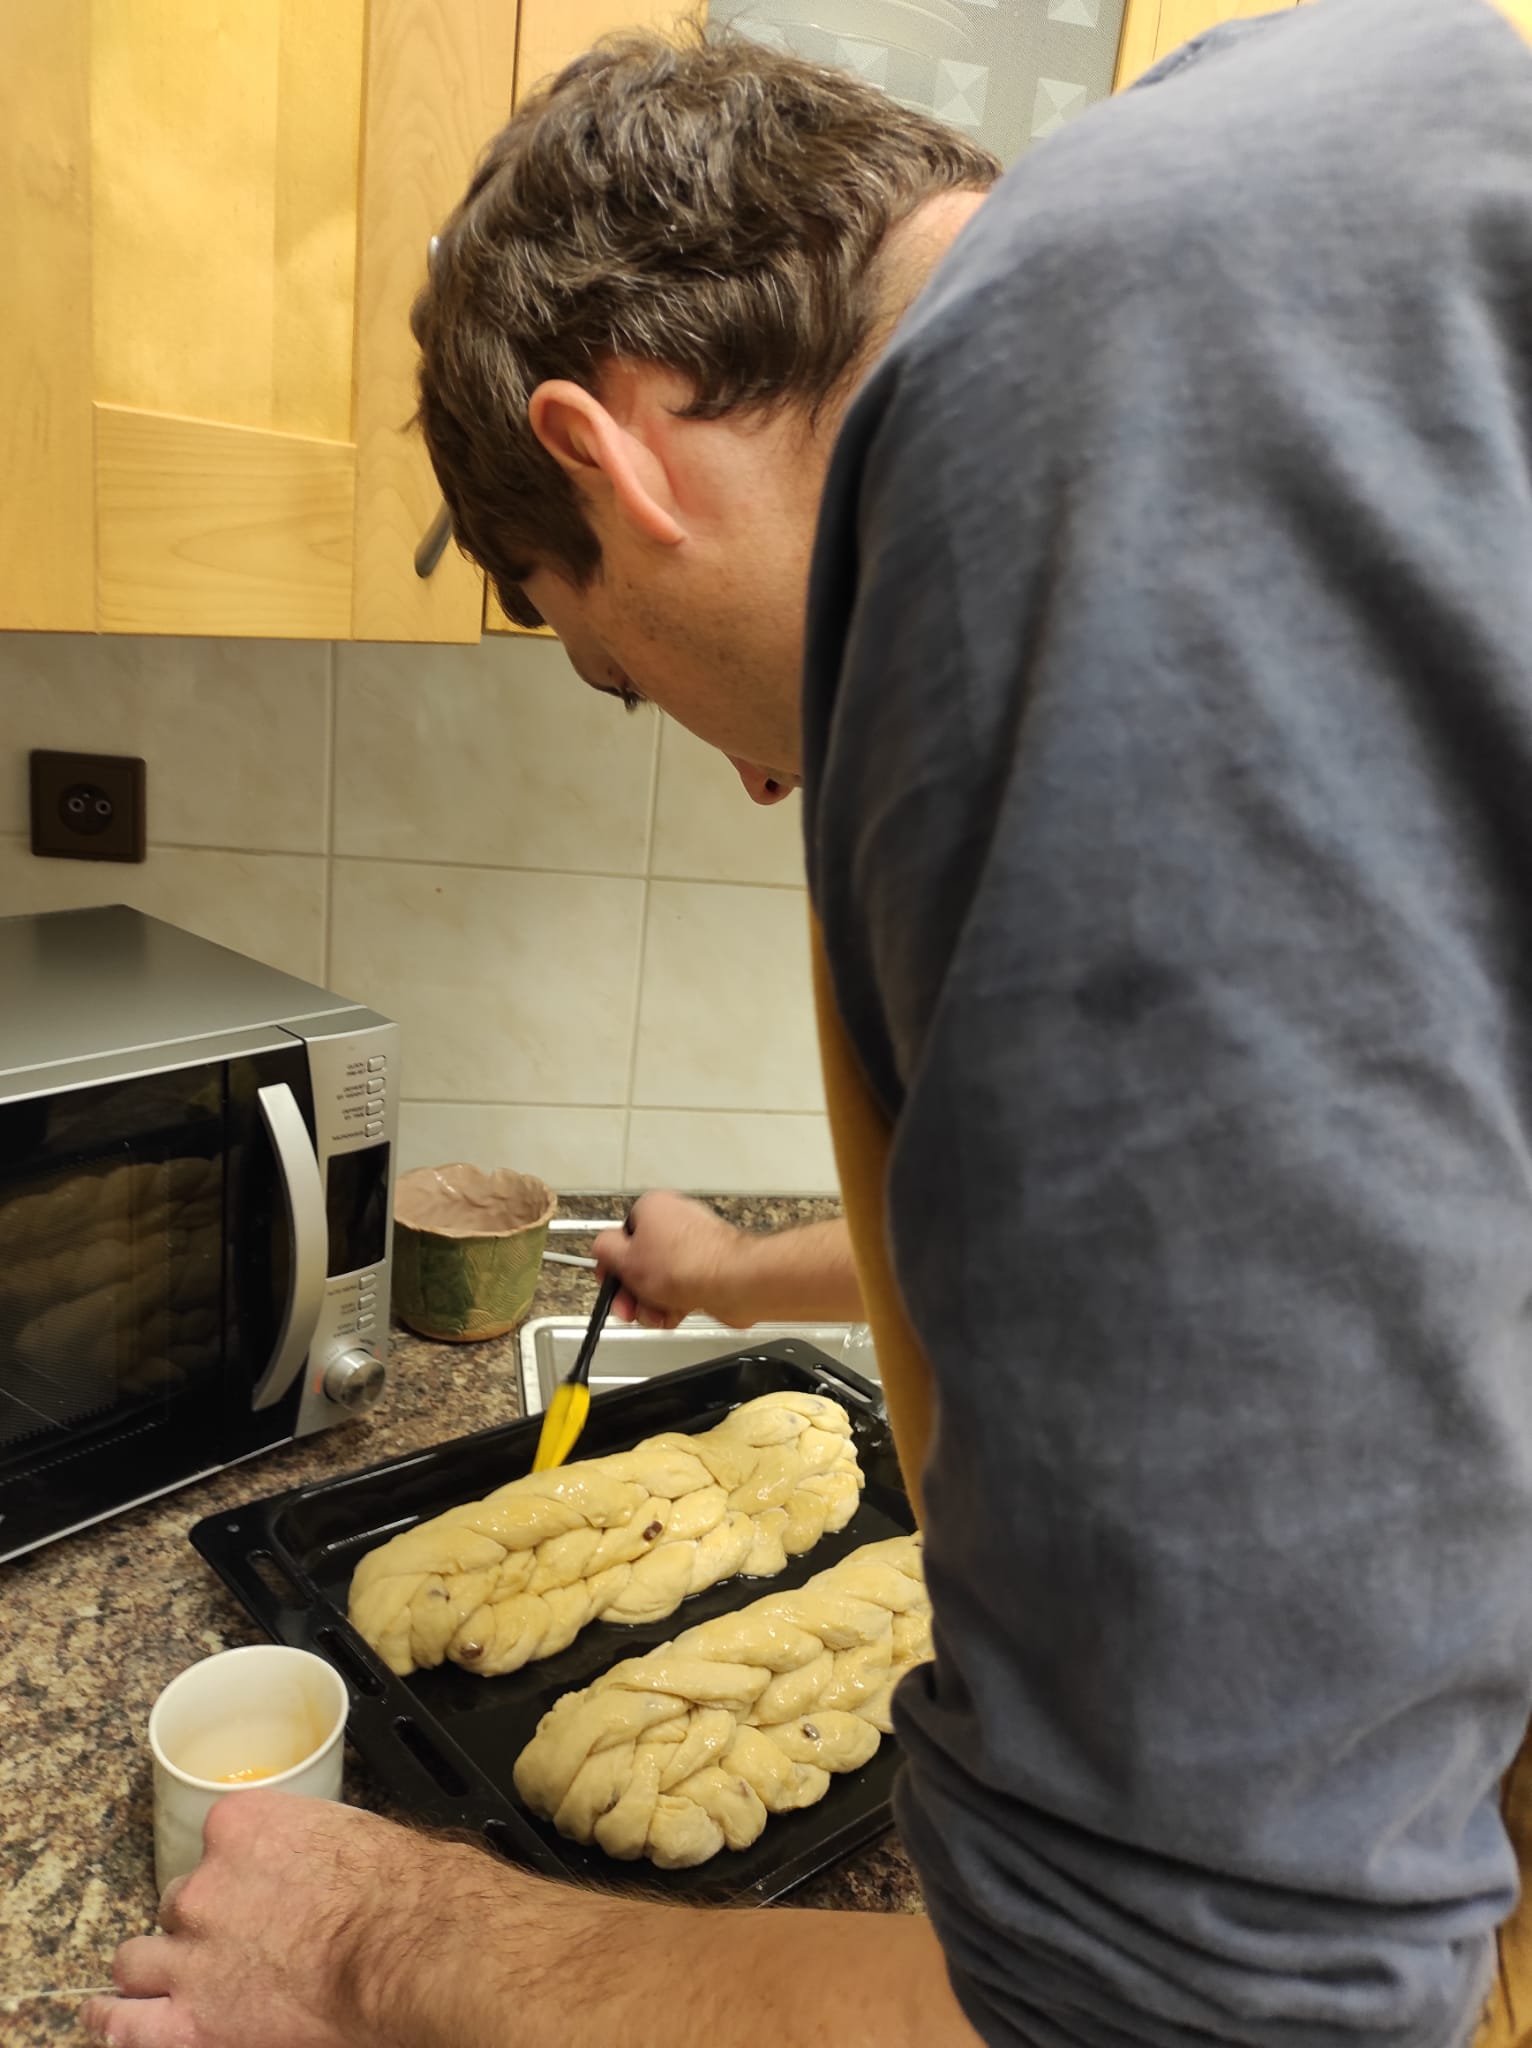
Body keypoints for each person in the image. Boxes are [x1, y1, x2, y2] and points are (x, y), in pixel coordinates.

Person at [83, 2, 1532, 2044]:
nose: (759, 777)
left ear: (604, 451)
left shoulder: (1054, 478)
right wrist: (746, 1269)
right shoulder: (1311, 173)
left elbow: (1218, 2014)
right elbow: (1273, 1245)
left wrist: (378, 1947)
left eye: (618, 674)